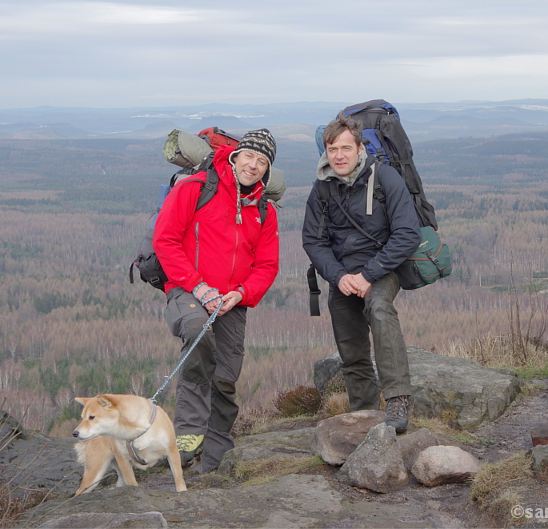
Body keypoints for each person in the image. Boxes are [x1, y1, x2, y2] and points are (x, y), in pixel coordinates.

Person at [153, 129, 279, 472]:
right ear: (235, 156)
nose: (253, 165)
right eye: (249, 156)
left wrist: (241, 293)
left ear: (266, 170)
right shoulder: (196, 188)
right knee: (196, 332)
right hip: (187, 289)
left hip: (232, 300)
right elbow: (165, 241)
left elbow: (267, 266)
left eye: (262, 161)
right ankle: (189, 432)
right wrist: (200, 287)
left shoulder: (264, 210)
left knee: (225, 374)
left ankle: (216, 460)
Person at [302, 116, 421, 433]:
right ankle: (364, 415)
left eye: (345, 148)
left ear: (359, 148)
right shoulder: (323, 188)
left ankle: (396, 398)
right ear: (325, 151)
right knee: (350, 347)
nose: (339, 155)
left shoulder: (386, 178)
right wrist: (339, 276)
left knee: (379, 308)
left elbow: (407, 234)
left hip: (383, 268)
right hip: (341, 274)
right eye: (332, 149)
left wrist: (368, 275)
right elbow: (313, 240)